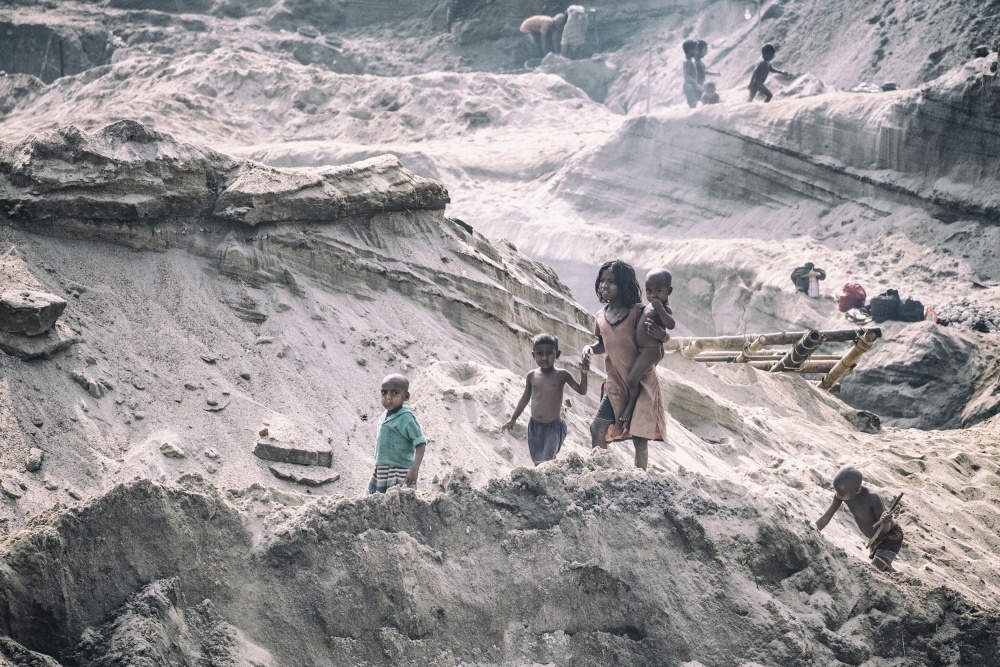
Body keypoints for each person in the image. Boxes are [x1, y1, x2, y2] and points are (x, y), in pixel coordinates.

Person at [583, 260, 670, 470]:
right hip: (616, 384)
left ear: (623, 285)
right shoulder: (600, 316)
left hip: (642, 383)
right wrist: (589, 349)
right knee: (597, 428)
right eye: (601, 280)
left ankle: (640, 478)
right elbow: (603, 343)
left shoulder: (638, 311)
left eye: (611, 281)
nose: (604, 285)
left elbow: (659, 340)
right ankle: (602, 472)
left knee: (639, 439)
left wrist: (663, 336)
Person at [501, 334, 589, 465]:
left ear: (557, 354)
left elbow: (582, 391)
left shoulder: (562, 375)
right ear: (533, 355)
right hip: (535, 427)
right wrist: (513, 418)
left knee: (547, 462)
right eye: (540, 354)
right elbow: (525, 398)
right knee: (537, 463)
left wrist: (584, 374)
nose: (544, 357)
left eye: (549, 353)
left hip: (553, 427)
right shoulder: (531, 376)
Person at [816, 466, 904, 572]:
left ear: (857, 491)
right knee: (883, 567)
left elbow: (885, 529)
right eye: (835, 491)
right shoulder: (842, 494)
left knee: (874, 570)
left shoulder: (873, 497)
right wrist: (814, 530)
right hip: (874, 540)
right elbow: (827, 516)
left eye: (841, 494)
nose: (837, 495)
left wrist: (885, 521)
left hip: (890, 537)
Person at [619, 269, 675, 430]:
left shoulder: (664, 307)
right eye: (649, 291)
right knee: (639, 378)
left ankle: (631, 406)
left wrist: (659, 308)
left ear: (669, 291)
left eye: (658, 291)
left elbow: (671, 324)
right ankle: (638, 404)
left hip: (651, 351)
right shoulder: (650, 305)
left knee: (632, 379)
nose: (653, 295)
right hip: (643, 350)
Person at [368, 374, 427, 494]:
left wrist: (414, 470)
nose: (388, 398)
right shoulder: (384, 416)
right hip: (381, 470)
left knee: (398, 501)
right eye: (384, 393)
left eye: (395, 393)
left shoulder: (406, 418)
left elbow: (420, 444)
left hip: (399, 472)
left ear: (406, 396)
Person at [682, 40, 702, 108]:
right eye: (695, 49)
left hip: (692, 86)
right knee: (693, 106)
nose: (697, 52)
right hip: (689, 86)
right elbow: (687, 76)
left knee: (700, 101)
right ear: (690, 50)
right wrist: (696, 84)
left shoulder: (690, 61)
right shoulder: (687, 62)